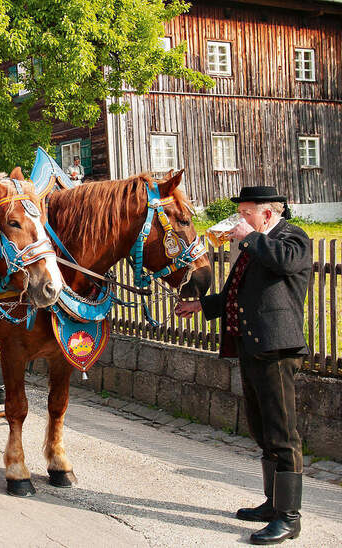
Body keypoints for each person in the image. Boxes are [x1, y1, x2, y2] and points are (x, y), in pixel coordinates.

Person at [175, 186, 311, 546]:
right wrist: (201, 307)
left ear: (267, 213)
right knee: (261, 430)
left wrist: (250, 237)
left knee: (282, 434)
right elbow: (238, 293)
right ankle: (272, 504)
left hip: (278, 349)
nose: (240, 219)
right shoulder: (257, 243)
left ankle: (289, 518)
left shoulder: (291, 237)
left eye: (246, 212)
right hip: (252, 348)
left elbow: (284, 263)